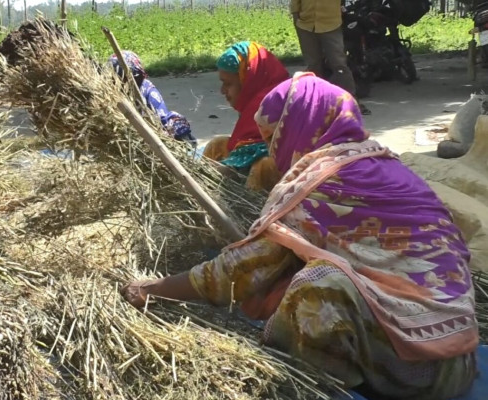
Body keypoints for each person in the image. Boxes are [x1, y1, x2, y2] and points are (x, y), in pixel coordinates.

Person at [121, 73, 478, 399]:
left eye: (274, 139)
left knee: (317, 285)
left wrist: (153, 289)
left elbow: (240, 271)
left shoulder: (321, 181)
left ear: (298, 127)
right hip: (460, 356)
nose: (275, 154)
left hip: (415, 371)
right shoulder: (386, 164)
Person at [203, 41, 289, 191]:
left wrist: (227, 169)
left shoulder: (275, 101)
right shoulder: (251, 103)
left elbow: (268, 147)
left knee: (264, 166)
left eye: (228, 84)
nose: (222, 91)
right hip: (254, 155)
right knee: (217, 145)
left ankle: (247, 209)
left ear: (248, 81)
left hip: (287, 169)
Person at [290, 0, 371, 115]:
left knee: (339, 64)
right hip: (305, 24)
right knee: (313, 65)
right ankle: (316, 103)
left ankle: (351, 101)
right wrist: (295, 14)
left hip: (331, 23)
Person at [109, 51, 197, 147]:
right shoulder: (110, 94)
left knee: (177, 124)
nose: (124, 83)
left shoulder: (147, 89)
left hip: (150, 132)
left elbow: (161, 116)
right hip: (123, 135)